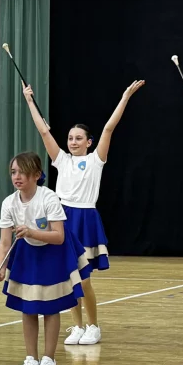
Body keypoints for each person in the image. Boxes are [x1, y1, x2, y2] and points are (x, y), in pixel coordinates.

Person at [22, 80, 144, 346]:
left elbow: (110, 127)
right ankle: (77, 326)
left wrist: (125, 97)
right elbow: (44, 132)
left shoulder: (95, 160)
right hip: (62, 218)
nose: (73, 142)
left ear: (89, 142)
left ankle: (93, 326)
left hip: (85, 218)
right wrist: (30, 101)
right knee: (67, 278)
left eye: (79, 138)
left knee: (84, 279)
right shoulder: (61, 160)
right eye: (70, 138)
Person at [0, 151, 91, 365]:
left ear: (37, 175)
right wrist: (0, 268)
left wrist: (31, 231)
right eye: (13, 172)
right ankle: (31, 359)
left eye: (23, 172)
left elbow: (58, 236)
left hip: (52, 252)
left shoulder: (49, 198)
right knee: (28, 308)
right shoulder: (9, 202)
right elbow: (4, 242)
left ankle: (49, 360)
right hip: (28, 254)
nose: (17, 177)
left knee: (50, 307)